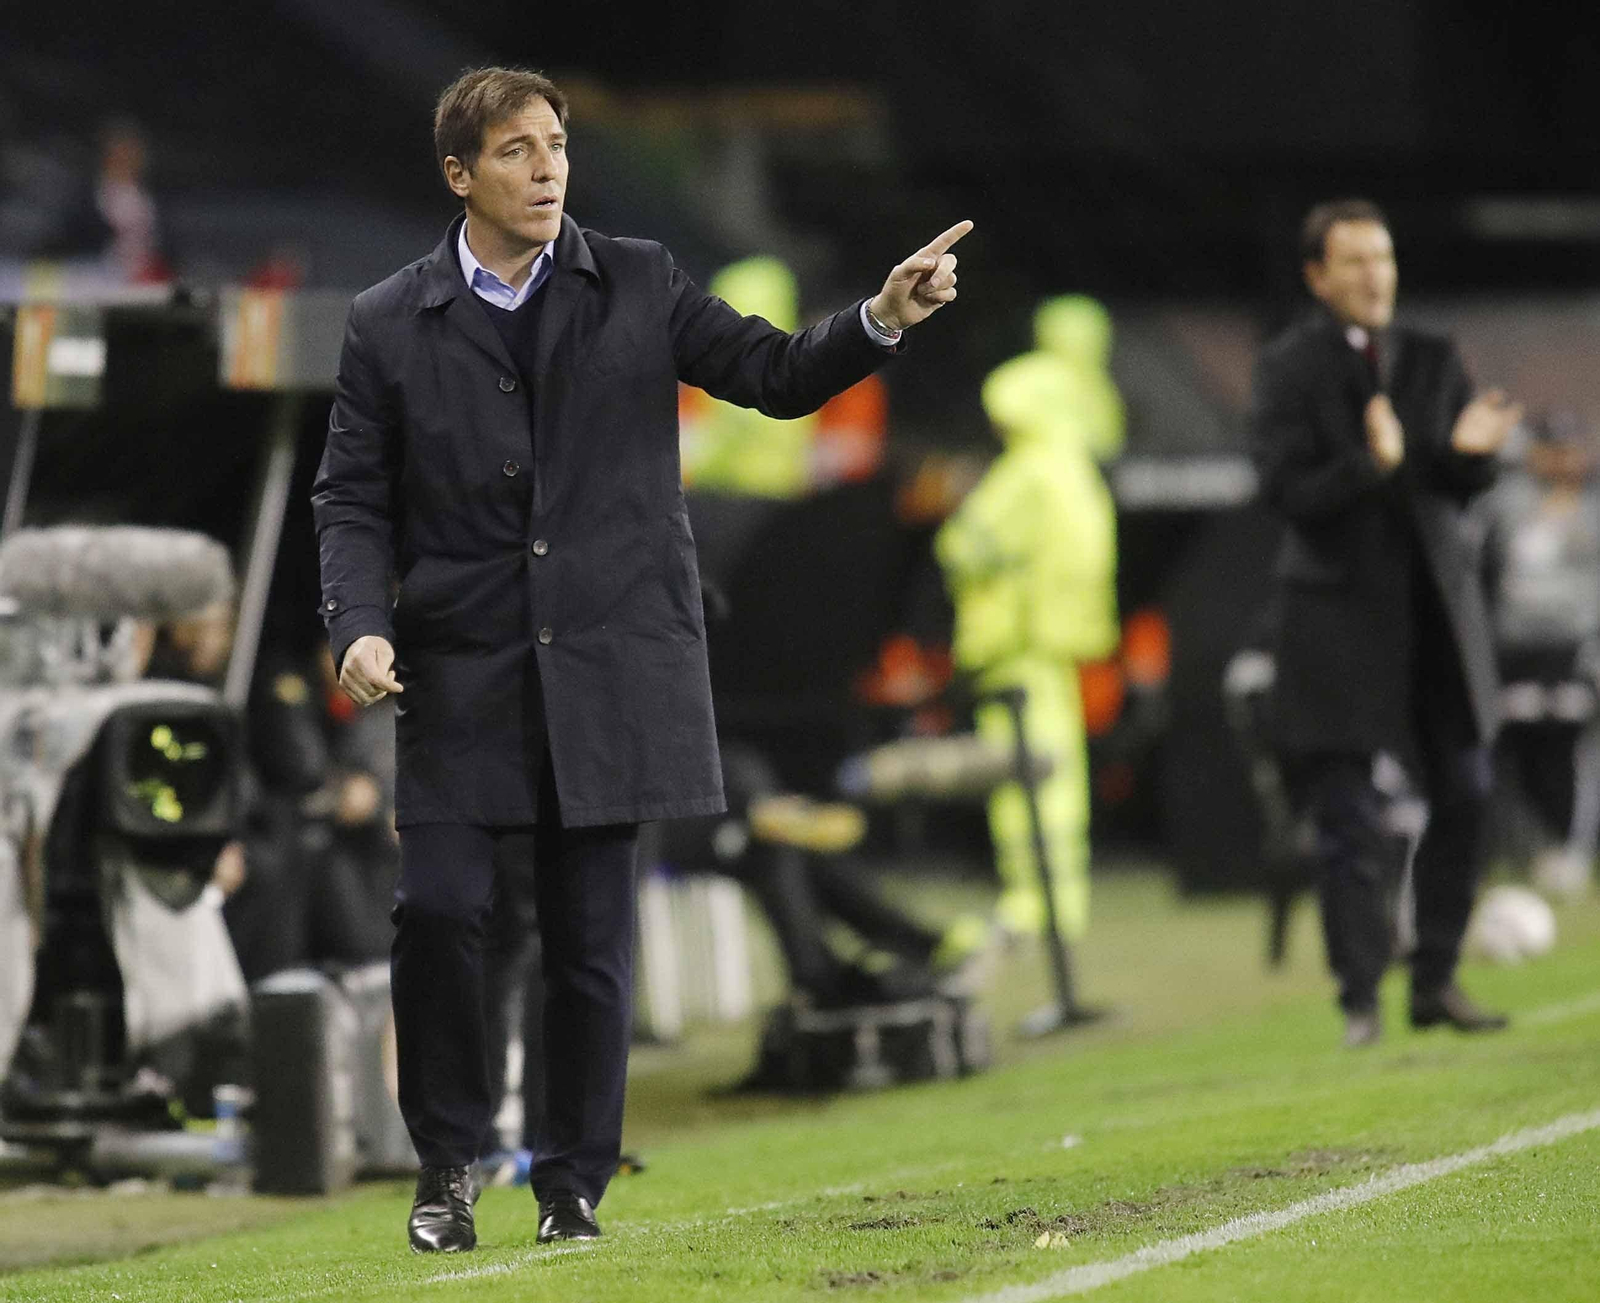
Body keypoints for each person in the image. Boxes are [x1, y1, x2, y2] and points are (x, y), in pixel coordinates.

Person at [311, 66, 970, 1253]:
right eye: (516, 151)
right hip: (462, 671)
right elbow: (348, 498)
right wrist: (360, 620)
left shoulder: (642, 278)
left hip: (613, 664)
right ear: (460, 175)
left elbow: (772, 375)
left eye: (556, 144)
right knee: (440, 912)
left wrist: (881, 318)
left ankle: (570, 1182)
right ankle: (446, 1164)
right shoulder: (384, 322)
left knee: (589, 941)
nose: (548, 166)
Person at [1250, 199, 1520, 1048]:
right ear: (1317, 275)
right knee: (1349, 815)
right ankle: (1360, 999)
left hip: (1435, 611)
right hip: (1336, 617)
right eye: (1356, 261)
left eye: (1385, 258)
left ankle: (1434, 977)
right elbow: (1286, 493)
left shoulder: (1434, 357)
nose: (1377, 276)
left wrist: (1473, 455)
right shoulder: (1288, 366)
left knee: (1469, 788)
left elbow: (1452, 485)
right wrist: (1369, 462)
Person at [935, 348, 1119, 941]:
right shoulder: (1076, 466)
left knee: (1021, 781)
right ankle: (1063, 901)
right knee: (1061, 776)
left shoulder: (1027, 472)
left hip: (1015, 645)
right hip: (1058, 645)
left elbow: (965, 548)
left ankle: (1030, 901)